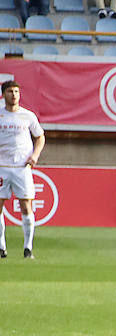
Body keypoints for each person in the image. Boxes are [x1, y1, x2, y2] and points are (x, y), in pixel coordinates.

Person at [0, 80, 43, 261]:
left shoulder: (28, 116)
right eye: (10, 91)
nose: (14, 95)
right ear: (4, 95)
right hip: (2, 167)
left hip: (22, 168)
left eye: (17, 91)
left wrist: (35, 155)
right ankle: (1, 247)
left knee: (26, 206)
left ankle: (28, 248)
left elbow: (40, 136)